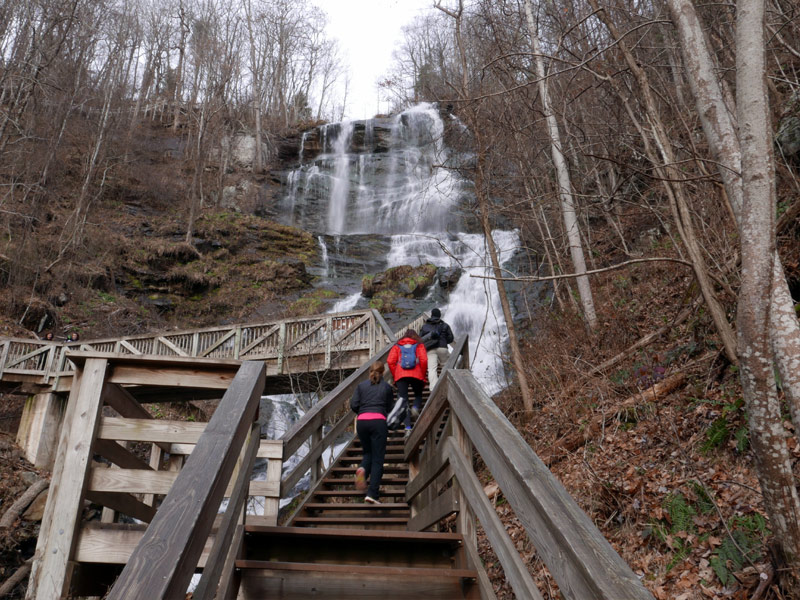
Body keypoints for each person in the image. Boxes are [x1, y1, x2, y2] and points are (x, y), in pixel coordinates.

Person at [350, 360, 394, 504]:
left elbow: (354, 405)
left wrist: (363, 412)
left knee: (368, 453)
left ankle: (362, 469)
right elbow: (390, 407)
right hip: (378, 422)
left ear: (370, 371)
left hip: (362, 422)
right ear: (383, 372)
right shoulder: (387, 388)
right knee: (377, 459)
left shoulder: (361, 386)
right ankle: (372, 494)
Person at [387, 328, 428, 435]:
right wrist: (422, 374)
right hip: (417, 373)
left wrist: (395, 374)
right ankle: (415, 407)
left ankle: (408, 428)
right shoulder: (419, 345)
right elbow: (423, 360)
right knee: (418, 394)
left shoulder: (397, 345)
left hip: (401, 375)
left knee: (403, 401)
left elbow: (390, 361)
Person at [420, 308, 454, 388]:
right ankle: (445, 386)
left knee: (432, 369)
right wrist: (444, 341)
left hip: (430, 349)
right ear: (439, 315)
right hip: (442, 348)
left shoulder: (425, 326)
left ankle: (433, 389)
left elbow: (420, 338)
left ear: (431, 315)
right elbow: (451, 338)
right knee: (446, 366)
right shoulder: (445, 325)